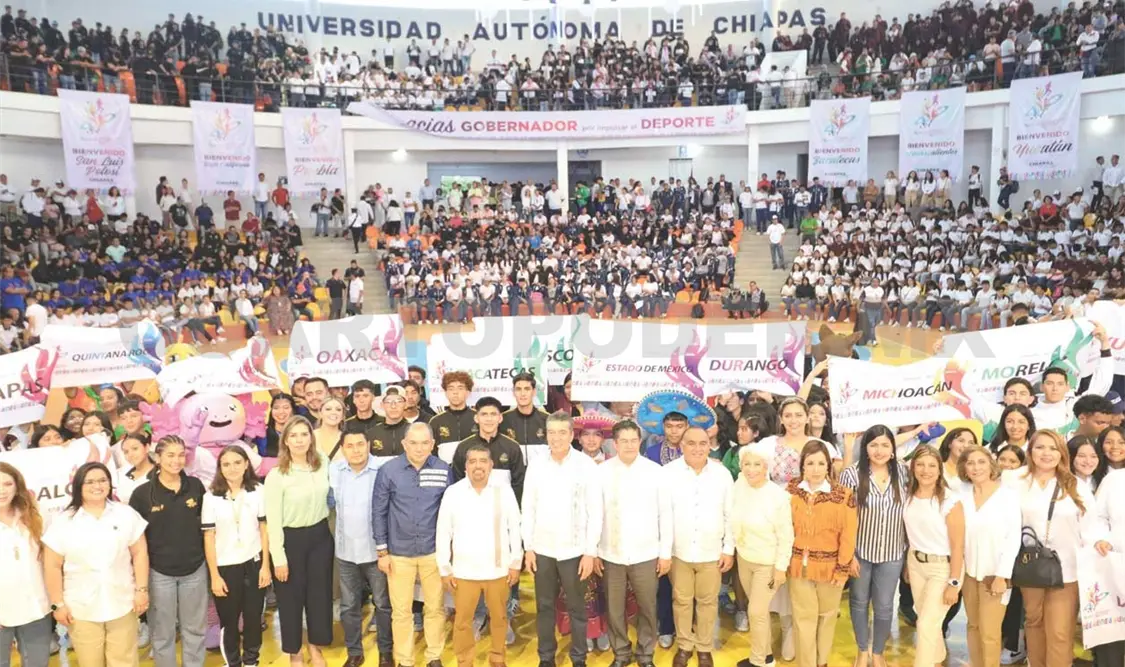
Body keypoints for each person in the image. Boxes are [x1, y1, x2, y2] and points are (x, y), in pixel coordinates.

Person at [1008, 429, 1105, 667]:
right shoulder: (1015, 480)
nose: (1047, 453)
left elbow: (1092, 526)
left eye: (1053, 448)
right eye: (1040, 447)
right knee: (1034, 624)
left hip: (1068, 570)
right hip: (1031, 567)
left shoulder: (1074, 485)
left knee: (1060, 633)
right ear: (1030, 451)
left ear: (1062, 454)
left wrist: (1100, 542)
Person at [43, 462, 150, 667]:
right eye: (89, 481)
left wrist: (142, 589)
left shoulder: (125, 514)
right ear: (78, 486)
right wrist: (58, 604)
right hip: (81, 609)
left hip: (123, 602)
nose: (97, 486)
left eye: (102, 480)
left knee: (125, 661)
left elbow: (139, 553)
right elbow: (52, 566)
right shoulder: (63, 522)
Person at [522, 411, 602, 667]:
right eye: (551, 432)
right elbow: (528, 507)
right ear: (546, 434)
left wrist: (590, 552)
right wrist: (529, 547)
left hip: (575, 551)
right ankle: (546, 658)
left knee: (577, 608)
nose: (556, 438)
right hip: (543, 549)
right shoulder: (536, 464)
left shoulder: (585, 465)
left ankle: (579, 657)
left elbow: (595, 511)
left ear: (571, 435)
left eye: (561, 432)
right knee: (544, 607)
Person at [436, 443, 523, 667]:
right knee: (463, 621)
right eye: (472, 461)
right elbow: (443, 531)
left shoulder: (503, 491)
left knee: (500, 618)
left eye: (483, 461)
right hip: (463, 571)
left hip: (498, 569)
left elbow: (515, 526)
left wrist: (515, 563)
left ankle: (497, 658)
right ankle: (465, 661)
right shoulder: (453, 493)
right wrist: (444, 568)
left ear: (491, 465)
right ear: (465, 466)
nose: (478, 466)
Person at [373, 422, 452, 667]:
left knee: (436, 608)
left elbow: (451, 512)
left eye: (424, 443)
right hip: (398, 553)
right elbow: (378, 511)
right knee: (401, 612)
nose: (419, 448)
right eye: (414, 443)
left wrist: (450, 552)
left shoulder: (443, 469)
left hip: (433, 552)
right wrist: (382, 551)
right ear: (404, 444)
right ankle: (405, 660)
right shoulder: (388, 471)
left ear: (432, 444)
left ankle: (434, 656)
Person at [595, 419, 670, 667]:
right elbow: (594, 513)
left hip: (646, 553)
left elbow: (665, 514)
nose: (629, 445)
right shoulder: (602, 472)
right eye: (623, 441)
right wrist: (593, 550)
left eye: (633, 440)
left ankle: (646, 653)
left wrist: (665, 553)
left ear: (640, 441)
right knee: (614, 608)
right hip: (610, 552)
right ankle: (621, 653)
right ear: (614, 444)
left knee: (648, 607)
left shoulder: (655, 472)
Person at [128, 435, 208, 667]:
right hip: (158, 573)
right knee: (162, 634)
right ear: (157, 457)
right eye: (170, 455)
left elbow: (206, 527)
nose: (176, 460)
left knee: (195, 630)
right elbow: (135, 540)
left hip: (194, 569)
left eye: (181, 455)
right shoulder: (142, 494)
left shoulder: (196, 486)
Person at [264, 416, 333, 665]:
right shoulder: (277, 475)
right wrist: (278, 558)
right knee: (290, 599)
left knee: (319, 595)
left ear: (311, 438)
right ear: (285, 441)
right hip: (290, 541)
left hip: (320, 536)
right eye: (293, 435)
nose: (300, 440)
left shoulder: (322, 463)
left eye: (304, 434)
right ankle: (295, 651)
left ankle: (316, 646)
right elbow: (272, 521)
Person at [665, 426, 734, 667]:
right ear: (681, 445)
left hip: (711, 552)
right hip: (679, 552)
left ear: (709, 445)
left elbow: (730, 514)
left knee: (708, 602)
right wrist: (664, 552)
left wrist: (729, 549)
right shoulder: (668, 473)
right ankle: (684, 646)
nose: (697, 448)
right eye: (691, 443)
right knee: (681, 601)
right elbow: (663, 515)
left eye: (702, 443)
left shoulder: (722, 474)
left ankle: (704, 647)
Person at [839, 425, 907, 667]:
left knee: (885, 605)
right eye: (874, 445)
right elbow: (843, 519)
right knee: (858, 602)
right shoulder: (851, 474)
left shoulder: (904, 472)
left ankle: (878, 652)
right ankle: (862, 650)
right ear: (865, 447)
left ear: (892, 448)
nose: (879, 450)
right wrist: (849, 556)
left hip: (892, 553)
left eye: (885, 445)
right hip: (860, 553)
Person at [786, 440, 857, 667]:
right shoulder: (791, 492)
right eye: (810, 463)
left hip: (830, 569)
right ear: (802, 466)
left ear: (828, 465)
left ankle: (822, 661)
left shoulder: (843, 495)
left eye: (820, 463)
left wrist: (843, 568)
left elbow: (848, 535)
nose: (815, 469)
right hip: (798, 566)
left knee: (826, 617)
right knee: (803, 619)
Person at [329, 430, 394, 667]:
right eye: (349, 446)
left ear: (369, 445)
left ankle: (386, 651)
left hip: (377, 551)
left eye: (360, 444)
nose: (355, 450)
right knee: (348, 606)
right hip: (346, 551)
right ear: (343, 448)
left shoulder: (383, 469)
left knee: (383, 604)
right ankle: (354, 651)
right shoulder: (334, 471)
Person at [202, 446, 270, 667]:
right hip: (225, 568)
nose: (232, 468)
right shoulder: (210, 497)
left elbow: (264, 529)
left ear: (246, 464)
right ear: (220, 468)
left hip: (254, 563)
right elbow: (209, 538)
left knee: (253, 619)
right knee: (229, 622)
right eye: (226, 464)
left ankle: (251, 661)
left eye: (237, 463)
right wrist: (214, 576)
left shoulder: (258, 490)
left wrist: (265, 566)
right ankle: (233, 663)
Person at [730, 445, 793, 667]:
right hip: (745, 558)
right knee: (760, 613)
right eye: (747, 464)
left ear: (766, 466)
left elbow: (786, 536)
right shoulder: (739, 486)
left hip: (767, 563)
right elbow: (731, 519)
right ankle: (765, 655)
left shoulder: (778, 496)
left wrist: (780, 568)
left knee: (755, 612)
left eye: (757, 464)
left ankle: (758, 662)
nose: (751, 469)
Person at [959, 444, 1022, 667]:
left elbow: (1013, 537)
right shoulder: (961, 494)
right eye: (970, 463)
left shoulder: (1007, 495)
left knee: (990, 632)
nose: (976, 468)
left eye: (981, 462)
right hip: (968, 573)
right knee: (973, 626)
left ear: (991, 464)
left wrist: (1001, 575)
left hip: (995, 575)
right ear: (964, 468)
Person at [902, 445, 964, 667]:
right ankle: (937, 662)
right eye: (920, 464)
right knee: (930, 623)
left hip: (943, 569)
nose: (925, 470)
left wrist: (954, 583)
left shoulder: (950, 500)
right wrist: (910, 564)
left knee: (926, 625)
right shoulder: (908, 495)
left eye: (931, 465)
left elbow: (958, 546)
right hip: (916, 564)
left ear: (940, 469)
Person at [0, 462, 51, 667]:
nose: (2, 490)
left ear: (17, 486)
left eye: (7, 483)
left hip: (36, 608)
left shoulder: (34, 516)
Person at [451, 397, 525, 501]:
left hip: (502, 507)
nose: (489, 419)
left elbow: (518, 484)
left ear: (500, 418)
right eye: (484, 414)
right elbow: (457, 480)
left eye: (493, 414)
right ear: (476, 418)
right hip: (471, 505)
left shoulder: (512, 447)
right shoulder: (463, 447)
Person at [1092, 456, 1125, 664]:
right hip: (1113, 565)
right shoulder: (1114, 480)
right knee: (1111, 633)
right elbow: (1097, 517)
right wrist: (1104, 539)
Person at [429, 371, 478, 450]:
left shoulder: (478, 418)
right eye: (451, 388)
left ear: (468, 392)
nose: (455, 392)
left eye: (460, 388)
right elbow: (431, 450)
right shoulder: (436, 421)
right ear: (446, 393)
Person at [115, 433, 155, 504]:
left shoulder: (160, 474)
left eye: (135, 449)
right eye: (126, 452)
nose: (130, 454)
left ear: (147, 448)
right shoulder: (120, 473)